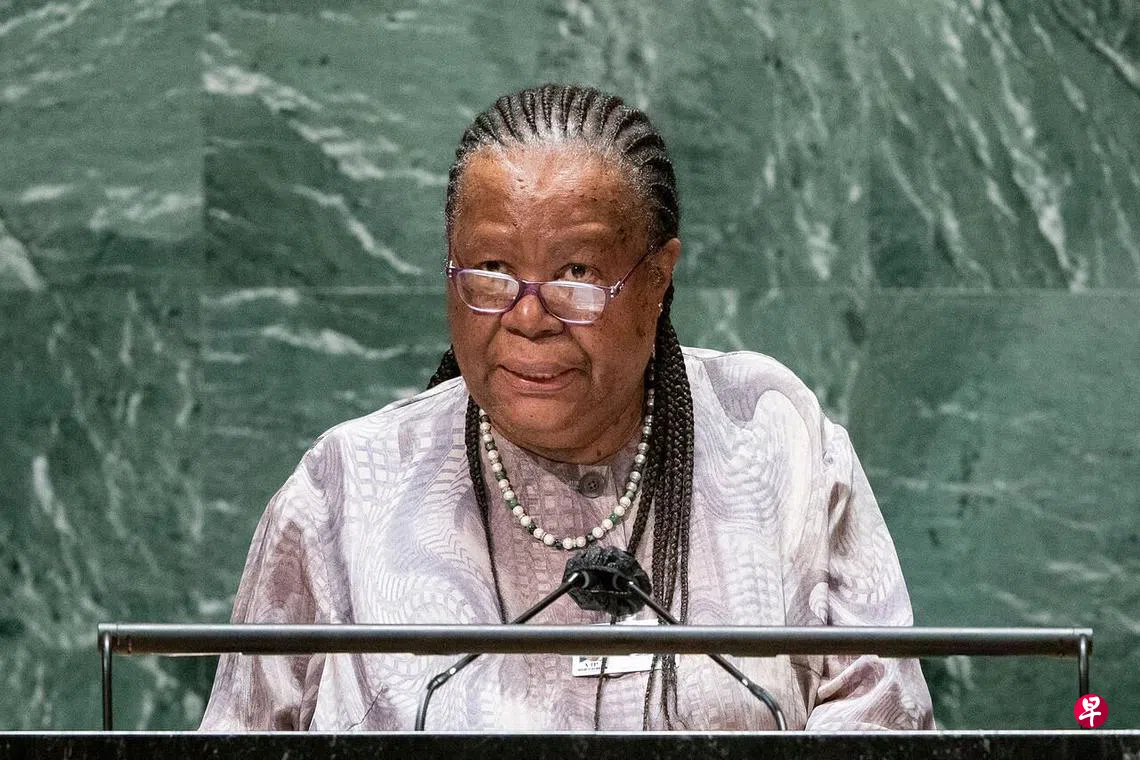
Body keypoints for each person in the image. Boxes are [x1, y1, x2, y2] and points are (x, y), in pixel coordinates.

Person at [200, 83, 935, 731]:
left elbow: (882, 717)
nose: (528, 317)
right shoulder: (345, 490)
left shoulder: (776, 442)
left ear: (658, 280)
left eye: (576, 274)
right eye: (491, 271)